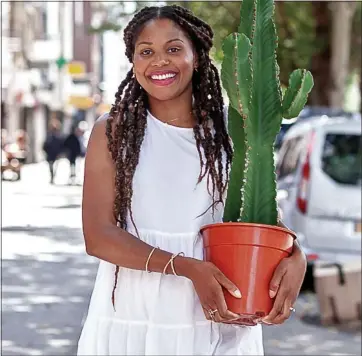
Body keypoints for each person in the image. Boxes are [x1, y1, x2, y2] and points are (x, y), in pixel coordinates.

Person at [78, 5, 307, 355]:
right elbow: (98, 237)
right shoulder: (113, 132)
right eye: (146, 52)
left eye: (173, 49)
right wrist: (186, 267)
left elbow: (257, 219)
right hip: (138, 315)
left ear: (197, 57)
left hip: (222, 317)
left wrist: (296, 255)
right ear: (133, 62)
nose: (159, 61)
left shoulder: (237, 129)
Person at [43, 119, 63, 184]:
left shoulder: (58, 136)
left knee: (55, 166)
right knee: (51, 166)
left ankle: (53, 177)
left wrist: (60, 153)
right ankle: (52, 177)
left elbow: (60, 145)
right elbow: (45, 145)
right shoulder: (49, 136)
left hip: (56, 154)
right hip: (50, 154)